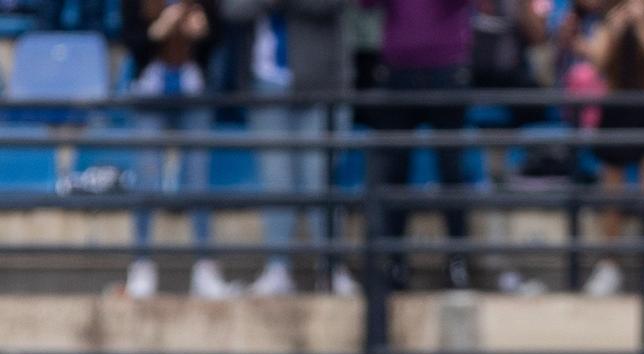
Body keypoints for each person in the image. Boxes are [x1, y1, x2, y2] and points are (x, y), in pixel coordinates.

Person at [123, 1, 235, 301]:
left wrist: (202, 31)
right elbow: (130, 41)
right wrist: (157, 31)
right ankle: (142, 265)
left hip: (194, 91)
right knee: (147, 176)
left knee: (197, 179)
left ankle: (205, 268)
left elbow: (221, 39)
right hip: (149, 92)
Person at [363, 0, 478, 291]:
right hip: (397, 70)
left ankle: (458, 261)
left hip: (447, 68)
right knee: (395, 171)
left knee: (451, 170)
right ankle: (394, 262)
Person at [246, 1, 356, 298]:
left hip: (320, 82)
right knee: (277, 181)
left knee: (320, 178)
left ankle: (332, 268)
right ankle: (277, 268)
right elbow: (233, 8)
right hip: (266, 84)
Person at [581, 0, 644, 299]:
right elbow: (598, 64)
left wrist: (643, 29)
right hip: (617, 111)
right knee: (612, 195)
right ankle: (609, 266)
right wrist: (616, 29)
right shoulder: (607, 22)